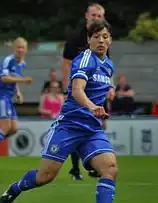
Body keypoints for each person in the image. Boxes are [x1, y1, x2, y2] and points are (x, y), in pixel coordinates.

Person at [0, 21, 124, 203]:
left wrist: (104, 104)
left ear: (110, 40)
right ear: (88, 40)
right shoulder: (84, 59)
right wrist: (93, 107)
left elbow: (101, 91)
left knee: (110, 169)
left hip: (91, 129)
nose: (101, 40)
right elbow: (76, 90)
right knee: (45, 176)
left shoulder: (108, 65)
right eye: (97, 36)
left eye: (105, 37)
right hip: (69, 125)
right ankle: (15, 189)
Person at [62, 2, 107, 180]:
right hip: (79, 91)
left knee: (99, 124)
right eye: (93, 15)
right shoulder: (75, 39)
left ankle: (93, 163)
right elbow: (66, 64)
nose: (96, 18)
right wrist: (68, 87)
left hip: (97, 91)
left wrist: (109, 87)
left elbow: (105, 66)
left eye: (99, 16)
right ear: (87, 16)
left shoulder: (103, 39)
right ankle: (75, 169)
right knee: (76, 126)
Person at [0, 37, 33, 159]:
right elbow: (4, 78)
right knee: (6, 127)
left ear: (26, 50)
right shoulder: (8, 60)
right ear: (14, 48)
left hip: (8, 97)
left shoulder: (22, 63)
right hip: (0, 95)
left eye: (22, 47)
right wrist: (23, 80)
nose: (20, 49)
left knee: (13, 129)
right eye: (18, 47)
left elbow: (14, 78)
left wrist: (18, 92)